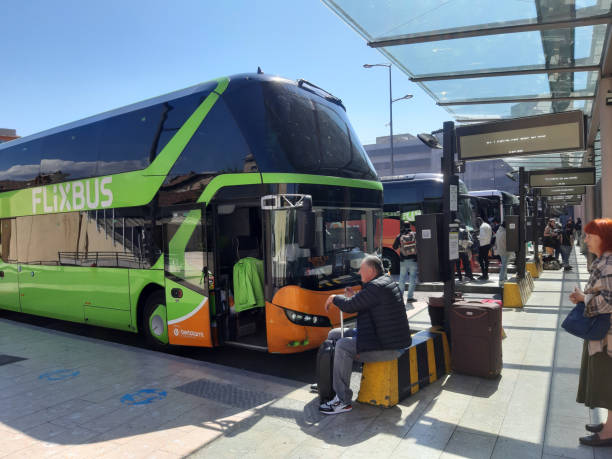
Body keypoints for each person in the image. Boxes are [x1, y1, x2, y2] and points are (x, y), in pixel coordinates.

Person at [319, 255, 412, 415]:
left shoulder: (377, 287)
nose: (359, 272)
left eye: (361, 269)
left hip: (388, 347)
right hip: (379, 337)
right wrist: (352, 297)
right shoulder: (383, 282)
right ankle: (329, 383)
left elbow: (350, 306)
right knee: (333, 334)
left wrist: (334, 298)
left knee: (342, 345)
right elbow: (364, 302)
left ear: (371, 271)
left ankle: (342, 400)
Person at [569, 218, 612, 447]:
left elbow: (609, 301)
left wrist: (582, 298)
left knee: (607, 380)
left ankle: (608, 433)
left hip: (607, 336)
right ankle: (608, 425)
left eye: (589, 235)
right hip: (605, 333)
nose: (585, 240)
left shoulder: (608, 263)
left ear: (603, 238)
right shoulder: (604, 261)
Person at [393, 222, 418, 303]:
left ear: (402, 227)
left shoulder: (400, 236)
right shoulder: (414, 234)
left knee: (402, 279)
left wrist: (402, 247)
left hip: (403, 260)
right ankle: (410, 297)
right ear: (410, 226)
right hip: (413, 260)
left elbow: (394, 247)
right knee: (412, 279)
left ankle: (400, 297)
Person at [495, 221, 509, 286]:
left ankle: (505, 279)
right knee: (504, 266)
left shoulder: (498, 231)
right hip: (505, 250)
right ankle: (501, 280)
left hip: (500, 250)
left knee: (504, 265)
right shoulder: (505, 233)